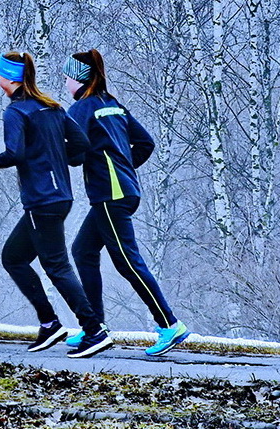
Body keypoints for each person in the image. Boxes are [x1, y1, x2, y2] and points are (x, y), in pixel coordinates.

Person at [0, 51, 115, 358]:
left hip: (42, 201)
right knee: (14, 258)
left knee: (56, 266)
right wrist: (59, 160)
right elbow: (82, 146)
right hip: (60, 198)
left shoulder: (16, 112)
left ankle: (94, 330)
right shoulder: (52, 107)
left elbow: (13, 154)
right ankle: (50, 324)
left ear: (9, 79)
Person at [63, 48, 190, 357]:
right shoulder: (112, 105)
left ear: (79, 79)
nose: (64, 82)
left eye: (66, 77)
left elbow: (75, 156)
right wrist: (122, 164)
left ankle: (169, 325)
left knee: (128, 263)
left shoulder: (81, 109)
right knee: (83, 250)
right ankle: (94, 326)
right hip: (124, 191)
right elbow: (145, 143)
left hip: (110, 196)